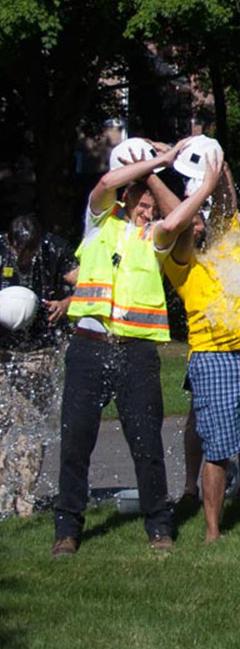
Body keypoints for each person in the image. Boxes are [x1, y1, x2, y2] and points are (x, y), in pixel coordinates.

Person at [53, 138, 186, 555]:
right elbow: (107, 181)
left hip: (137, 352)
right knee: (76, 444)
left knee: (146, 444)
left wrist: (152, 171)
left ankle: (159, 527)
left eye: (152, 206)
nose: (149, 211)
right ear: (125, 200)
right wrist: (157, 161)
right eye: (142, 204)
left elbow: (180, 216)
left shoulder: (156, 237)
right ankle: (67, 531)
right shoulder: (98, 222)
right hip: (89, 347)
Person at [153, 152, 240, 540]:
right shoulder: (177, 256)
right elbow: (176, 219)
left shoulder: (228, 240)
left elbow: (228, 203)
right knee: (216, 449)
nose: (201, 223)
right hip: (213, 358)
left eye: (203, 216)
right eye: (195, 218)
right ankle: (213, 530)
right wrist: (154, 172)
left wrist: (220, 164)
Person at [0, 214, 76, 517]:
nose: (25, 258)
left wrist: (66, 304)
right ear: (10, 243)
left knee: (30, 424)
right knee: (4, 422)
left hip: (41, 349)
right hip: (3, 349)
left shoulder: (54, 250)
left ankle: (26, 500)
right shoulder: (1, 251)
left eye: (30, 251)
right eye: (20, 252)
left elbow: (88, 284)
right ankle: (4, 497)